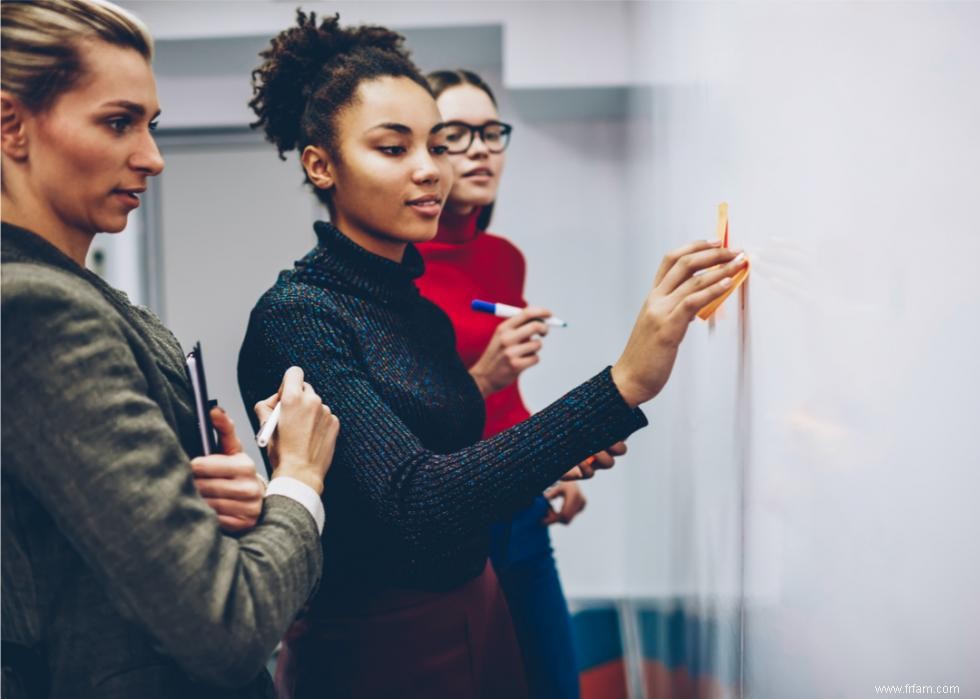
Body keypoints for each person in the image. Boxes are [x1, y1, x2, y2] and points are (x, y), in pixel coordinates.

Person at [237, 11, 745, 699]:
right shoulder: (299, 317)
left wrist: (557, 448)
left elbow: (455, 441)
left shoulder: (410, 303)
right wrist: (621, 385)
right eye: (394, 148)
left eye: (433, 146)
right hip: (375, 652)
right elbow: (416, 502)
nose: (430, 170)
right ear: (320, 165)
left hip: (479, 608)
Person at [0, 1, 340, 697]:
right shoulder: (37, 309)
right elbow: (225, 626)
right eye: (117, 122)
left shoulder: (86, 297)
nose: (152, 158)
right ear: (12, 125)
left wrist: (216, 502)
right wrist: (298, 480)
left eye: (149, 126)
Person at [414, 67, 598, 699]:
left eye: (491, 132)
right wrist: (482, 373)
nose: (481, 148)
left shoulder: (503, 257)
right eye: (456, 134)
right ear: (422, 149)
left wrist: (549, 462)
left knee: (556, 683)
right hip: (451, 523)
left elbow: (507, 398)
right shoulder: (397, 271)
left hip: (520, 507)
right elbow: (402, 427)